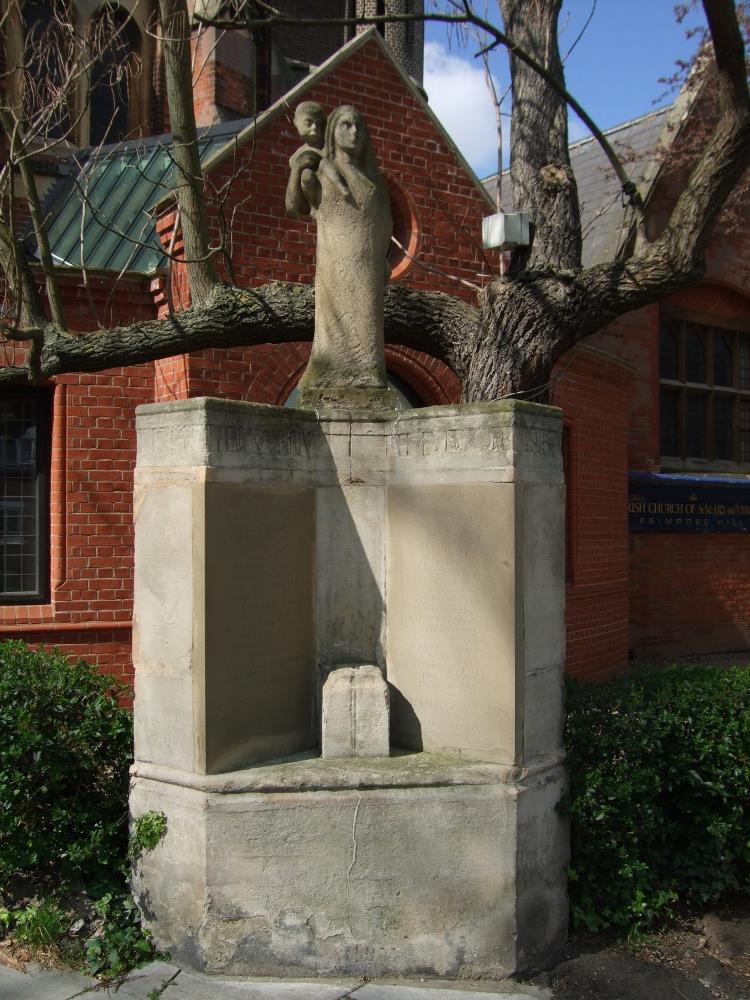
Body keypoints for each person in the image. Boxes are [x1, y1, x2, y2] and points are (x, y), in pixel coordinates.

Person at [285, 105, 392, 396]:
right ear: (333, 130)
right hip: (335, 265)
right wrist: (298, 169)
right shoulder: (319, 172)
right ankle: (327, 377)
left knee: (367, 330)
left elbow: (384, 221)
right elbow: (294, 206)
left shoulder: (373, 182)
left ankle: (367, 378)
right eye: (346, 125)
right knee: (334, 331)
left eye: (359, 126)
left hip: (368, 269)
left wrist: (384, 258)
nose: (354, 132)